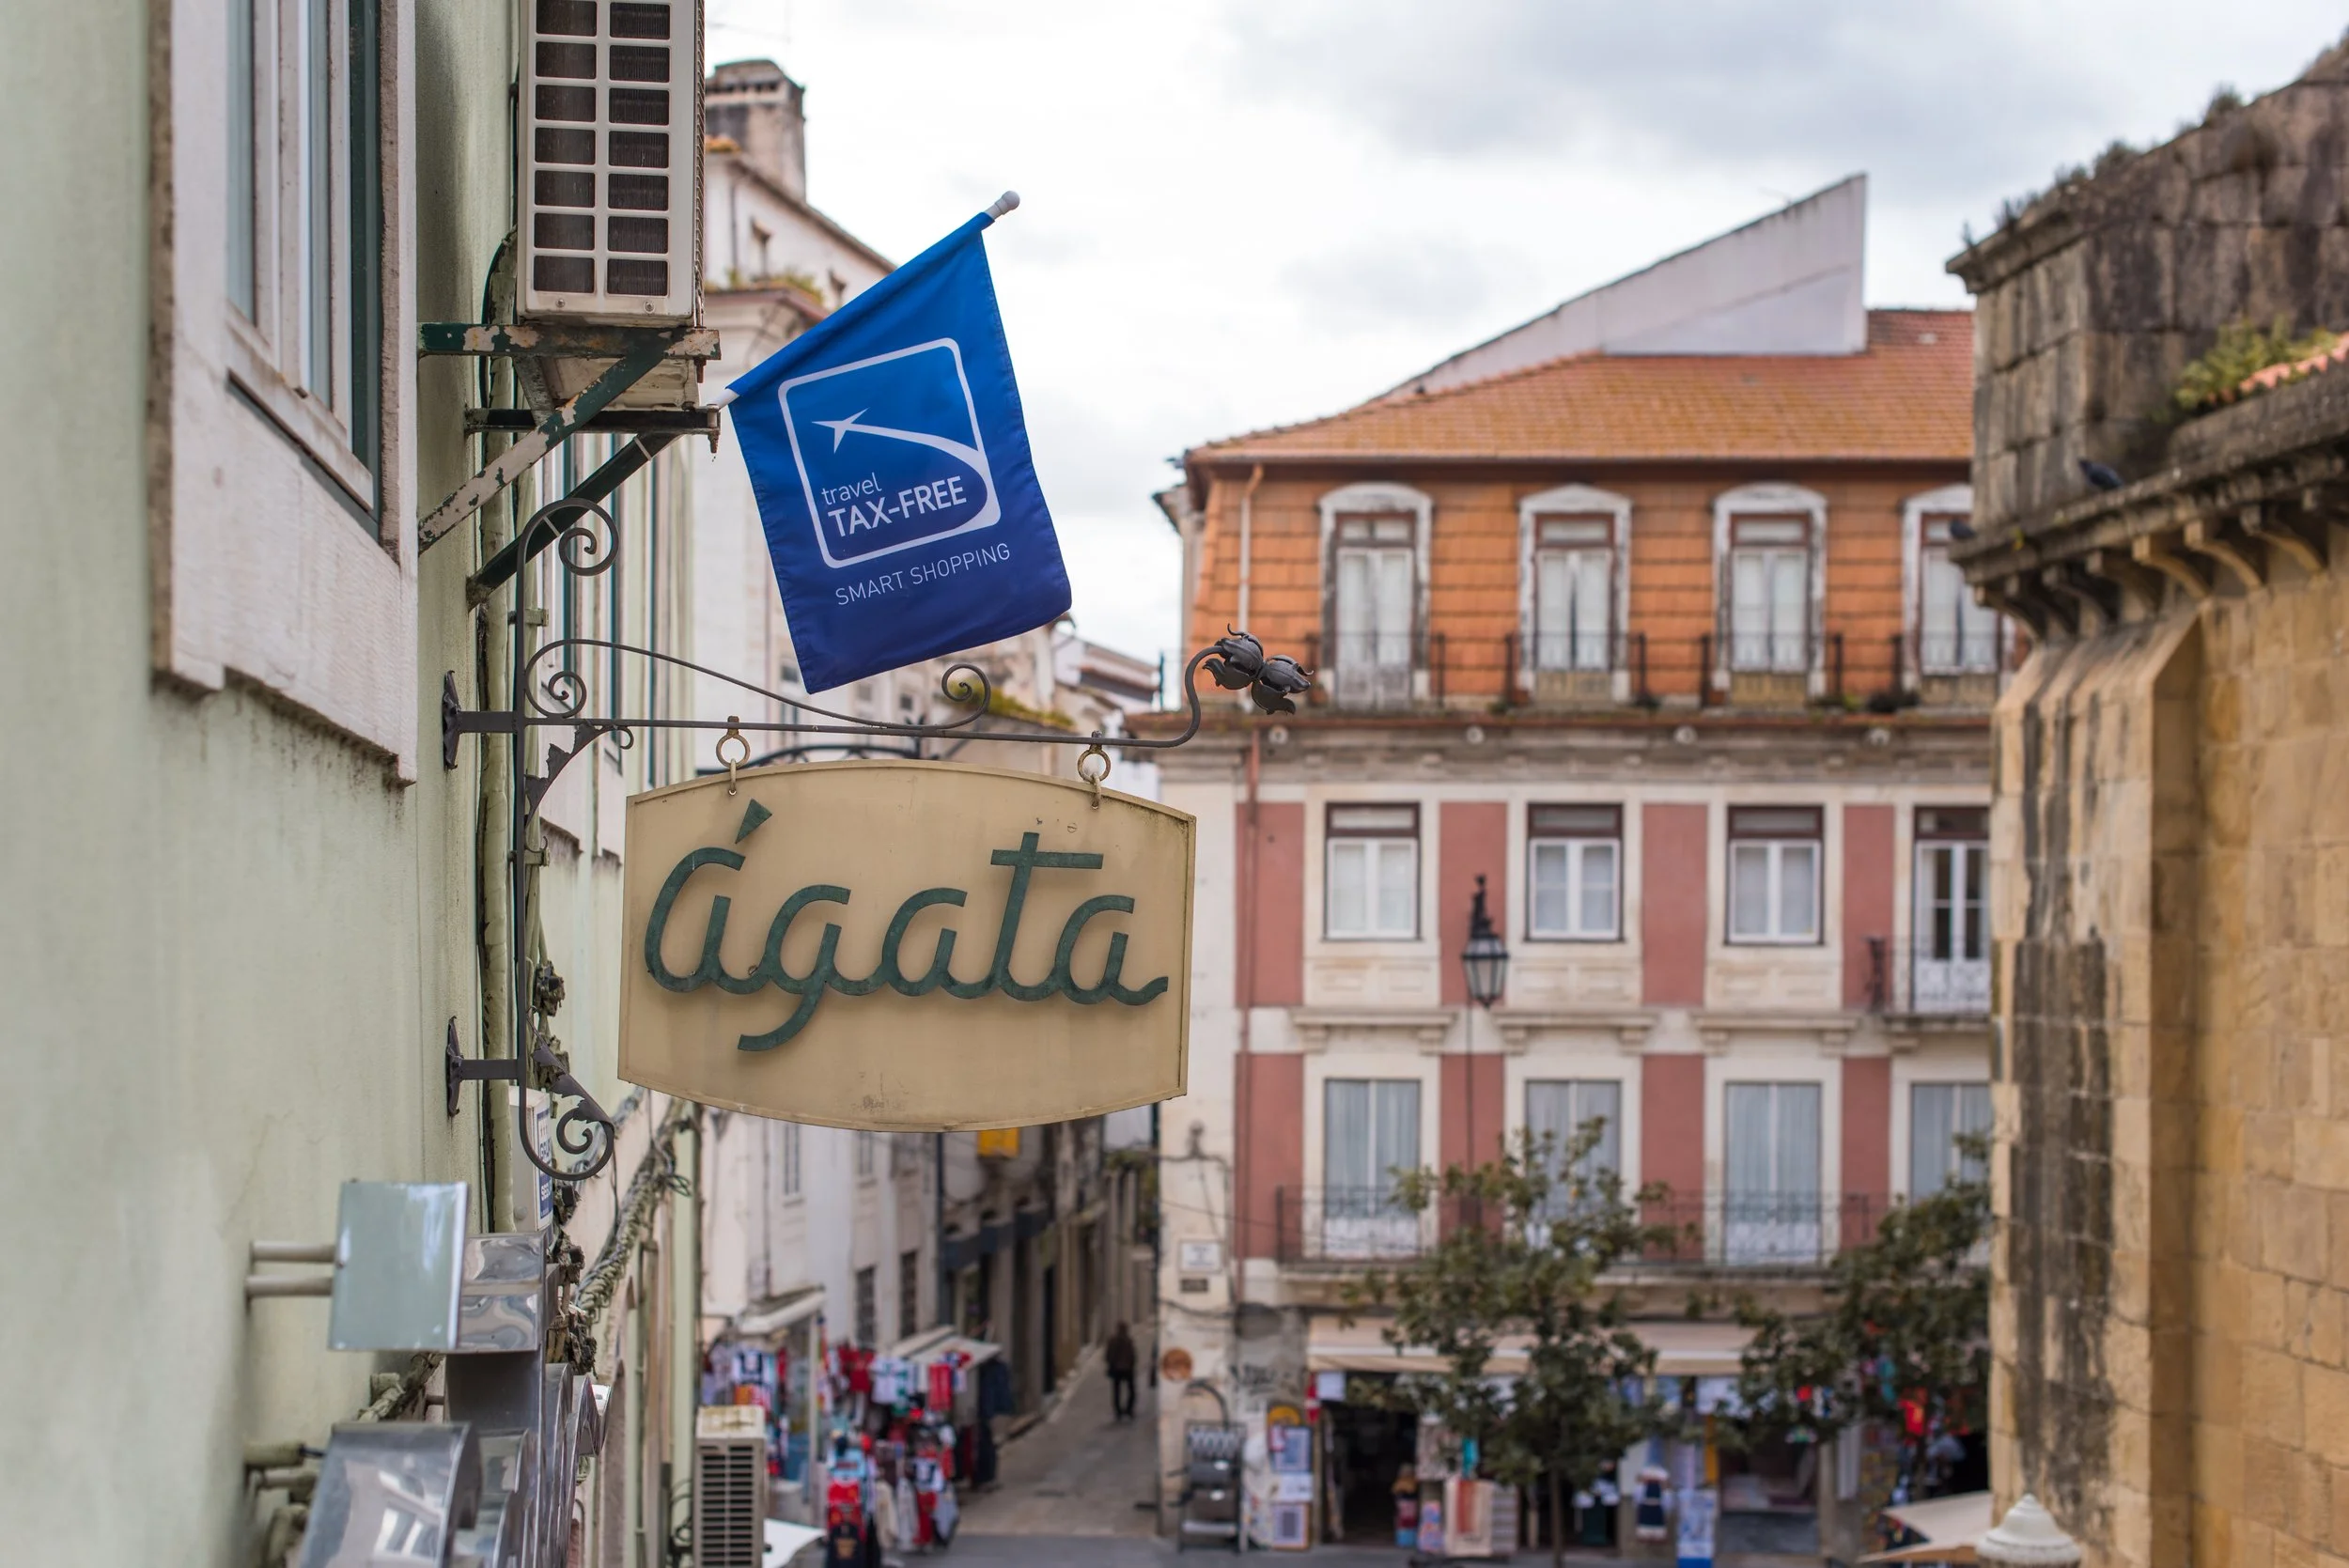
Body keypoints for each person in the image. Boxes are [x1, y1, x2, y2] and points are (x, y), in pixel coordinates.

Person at [1105, 1322, 1138, 1421]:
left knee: (1117, 1391)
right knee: (1131, 1390)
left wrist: (1111, 1364)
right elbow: (1133, 1355)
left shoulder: (1113, 1340)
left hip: (1117, 1369)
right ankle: (1128, 1409)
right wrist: (1131, 1365)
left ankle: (1119, 1411)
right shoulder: (1128, 1341)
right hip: (1127, 1369)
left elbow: (1108, 1355)